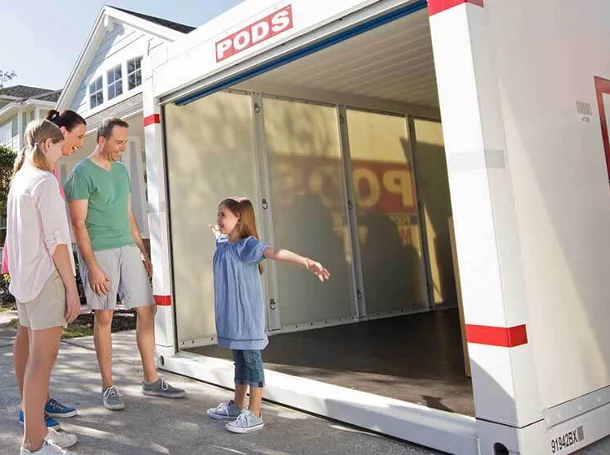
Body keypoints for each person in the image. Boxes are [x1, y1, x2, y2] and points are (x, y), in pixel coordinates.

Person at [64, 117, 185, 411]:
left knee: (147, 309)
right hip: (100, 251)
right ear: (101, 140)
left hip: (127, 248)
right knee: (104, 316)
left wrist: (142, 249)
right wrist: (91, 266)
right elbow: (78, 224)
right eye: (118, 142)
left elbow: (128, 212)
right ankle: (108, 386)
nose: (122, 147)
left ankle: (151, 380)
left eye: (124, 142)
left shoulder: (121, 171)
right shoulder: (81, 174)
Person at [206, 197, 330, 433]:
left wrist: (307, 262)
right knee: (240, 361)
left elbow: (275, 252)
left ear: (239, 218)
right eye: (218, 214)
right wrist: (219, 228)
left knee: (252, 362)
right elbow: (220, 235)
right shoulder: (223, 243)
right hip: (231, 318)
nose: (218, 219)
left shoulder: (248, 246)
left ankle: (254, 412)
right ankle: (238, 405)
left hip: (247, 318)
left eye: (223, 214)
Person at [5, 110, 87, 432]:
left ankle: (33, 429)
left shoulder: (18, 182)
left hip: (24, 282)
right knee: (42, 362)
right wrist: (72, 287)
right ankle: (34, 442)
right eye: (58, 146)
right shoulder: (44, 181)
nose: (60, 153)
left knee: (31, 357)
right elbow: (58, 242)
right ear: (46, 144)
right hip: (46, 279)